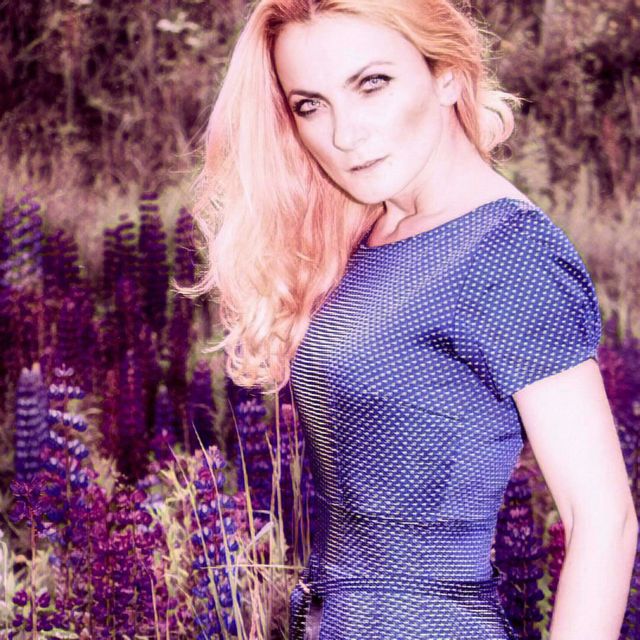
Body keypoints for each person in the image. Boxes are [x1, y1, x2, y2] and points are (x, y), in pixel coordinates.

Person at [179, 1, 638, 638]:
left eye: (372, 83)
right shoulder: (371, 230)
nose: (344, 134)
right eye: (311, 104)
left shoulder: (507, 251)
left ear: (446, 74)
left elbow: (604, 519)